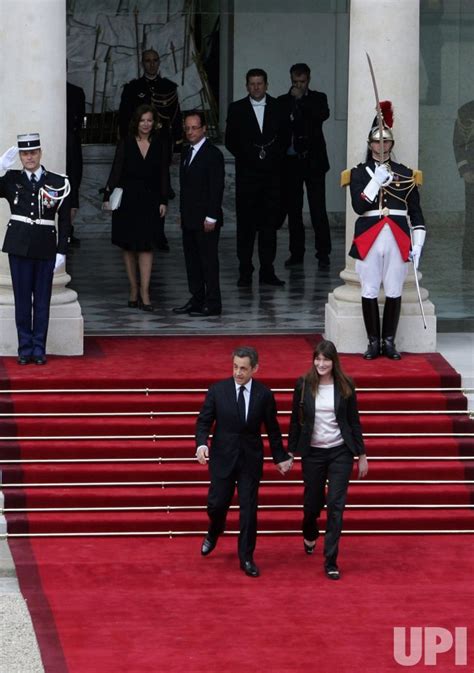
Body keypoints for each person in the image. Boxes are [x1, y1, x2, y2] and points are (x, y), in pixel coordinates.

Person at [195, 346, 293, 577]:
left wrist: (280, 457)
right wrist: (201, 445)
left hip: (250, 461)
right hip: (223, 458)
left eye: (243, 368)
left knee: (249, 510)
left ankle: (246, 557)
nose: (238, 372)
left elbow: (273, 429)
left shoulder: (264, 395)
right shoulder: (218, 391)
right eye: (235, 367)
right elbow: (203, 422)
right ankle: (214, 530)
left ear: (255, 369)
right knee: (216, 505)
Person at [344, 101, 426, 360]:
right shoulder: (358, 173)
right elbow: (358, 206)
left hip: (398, 236)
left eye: (386, 142)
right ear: (370, 145)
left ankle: (389, 342)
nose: (381, 147)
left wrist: (418, 245)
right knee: (368, 289)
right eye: (377, 142)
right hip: (369, 235)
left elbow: (416, 213)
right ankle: (373, 342)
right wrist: (375, 181)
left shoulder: (406, 173)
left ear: (391, 145)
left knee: (394, 289)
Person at [288, 340, 368, 580]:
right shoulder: (303, 384)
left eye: (326, 360)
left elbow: (353, 421)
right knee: (312, 504)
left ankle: (331, 560)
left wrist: (361, 455)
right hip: (312, 453)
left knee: (336, 505)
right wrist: (290, 452)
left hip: (340, 452)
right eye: (318, 359)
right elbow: (295, 421)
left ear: (334, 362)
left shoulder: (345, 385)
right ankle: (310, 531)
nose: (321, 364)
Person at [0, 134, 71, 365]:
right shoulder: (10, 179)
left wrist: (62, 251)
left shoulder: (57, 181)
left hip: (45, 246)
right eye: (24, 153)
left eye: (33, 152)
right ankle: (24, 348)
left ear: (40, 153)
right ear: (20, 156)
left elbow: (65, 221)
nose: (29, 157)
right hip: (19, 246)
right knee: (22, 300)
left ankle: (39, 348)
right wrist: (0, 166)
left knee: (42, 300)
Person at [225, 68, 288, 287]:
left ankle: (267, 271)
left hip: (272, 177)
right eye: (252, 84)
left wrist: (270, 157)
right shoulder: (236, 109)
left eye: (260, 83)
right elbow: (230, 141)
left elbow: (285, 138)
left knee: (269, 226)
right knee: (246, 227)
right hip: (247, 177)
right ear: (247, 86)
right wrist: (250, 156)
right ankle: (245, 271)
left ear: (266, 84)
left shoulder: (279, 107)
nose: (256, 87)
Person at [103, 104, 169, 311]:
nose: (146, 124)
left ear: (154, 122)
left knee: (147, 246)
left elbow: (163, 174)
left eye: (149, 120)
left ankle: (145, 293)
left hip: (150, 200)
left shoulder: (160, 144)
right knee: (129, 246)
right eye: (142, 120)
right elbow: (116, 170)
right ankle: (133, 288)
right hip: (128, 200)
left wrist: (163, 200)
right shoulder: (126, 143)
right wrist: (107, 195)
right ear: (136, 122)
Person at [118, 49, 183, 251]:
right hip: (136, 146)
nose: (152, 64)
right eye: (148, 61)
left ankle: (159, 234)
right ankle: (138, 232)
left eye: (155, 60)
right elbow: (124, 118)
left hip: (160, 146)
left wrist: (178, 147)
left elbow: (176, 119)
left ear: (159, 62)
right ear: (142, 63)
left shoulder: (168, 87)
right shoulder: (132, 88)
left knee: (160, 190)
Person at [278, 63, 331, 269]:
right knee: (294, 211)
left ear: (308, 80)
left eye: (302, 81)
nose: (298, 85)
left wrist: (301, 101)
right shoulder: (283, 101)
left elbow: (321, 116)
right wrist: (293, 102)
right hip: (291, 162)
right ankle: (296, 253)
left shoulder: (318, 98)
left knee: (318, 208)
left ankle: (323, 253)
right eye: (295, 82)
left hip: (314, 161)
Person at [173, 110, 225, 317]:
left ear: (204, 129)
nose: (190, 132)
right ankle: (197, 298)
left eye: (194, 128)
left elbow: (216, 188)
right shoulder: (186, 152)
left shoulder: (213, 154)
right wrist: (183, 214)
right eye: (187, 128)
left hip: (206, 219)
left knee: (208, 262)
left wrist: (211, 216)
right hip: (190, 218)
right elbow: (186, 188)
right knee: (192, 261)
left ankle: (213, 303)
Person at [453, 99, 474, 269]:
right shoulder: (466, 111)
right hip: (473, 174)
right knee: (472, 218)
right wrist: (465, 169)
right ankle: (469, 259)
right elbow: (458, 143)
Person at [66, 80, 86, 246]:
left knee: (73, 184)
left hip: (72, 145)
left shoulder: (76, 91)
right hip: (52, 145)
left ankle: (68, 231)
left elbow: (79, 121)